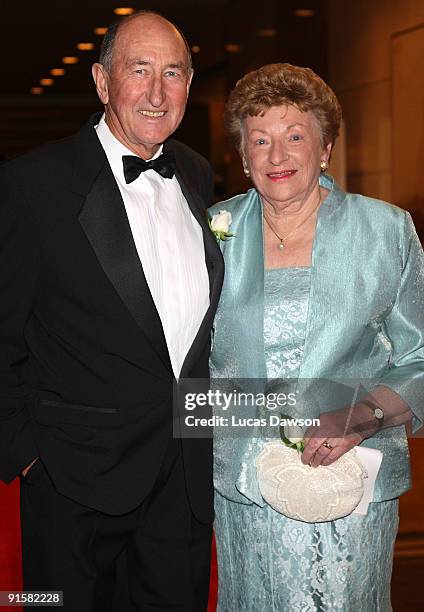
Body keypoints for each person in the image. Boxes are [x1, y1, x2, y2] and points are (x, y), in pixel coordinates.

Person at [0, 10, 223, 611]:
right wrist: (27, 455)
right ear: (102, 82)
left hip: (183, 484)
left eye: (172, 72)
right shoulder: (31, 186)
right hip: (72, 484)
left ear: (190, 82)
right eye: (139, 70)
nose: (157, 92)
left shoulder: (197, 176)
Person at [209, 63, 424, 611]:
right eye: (260, 140)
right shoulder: (213, 232)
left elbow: (420, 355)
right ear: (243, 155)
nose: (277, 156)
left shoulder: (385, 231)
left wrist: (364, 416)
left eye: (294, 136)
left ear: (325, 148)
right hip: (244, 488)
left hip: (350, 482)